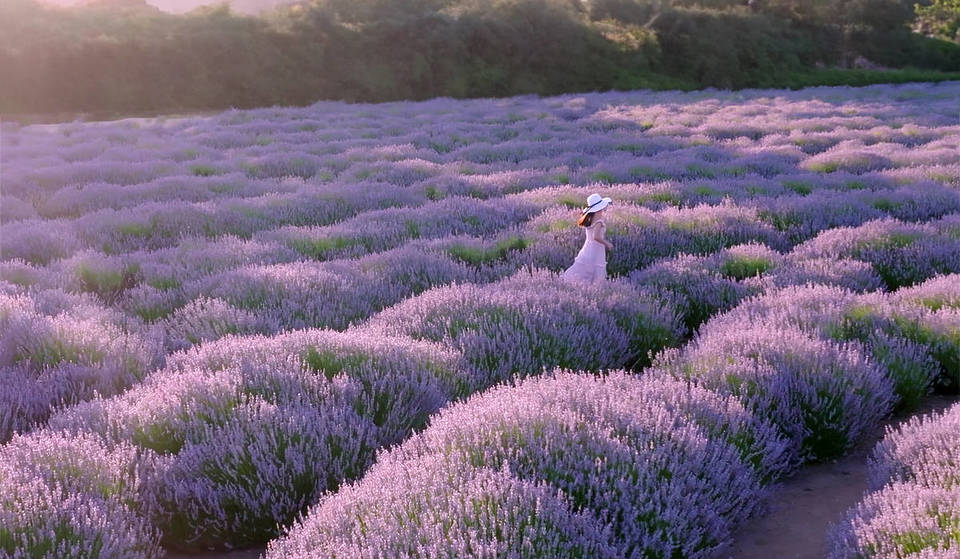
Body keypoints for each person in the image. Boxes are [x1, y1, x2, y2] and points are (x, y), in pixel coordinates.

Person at [561, 193, 613, 284]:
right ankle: (595, 290)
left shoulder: (590, 222)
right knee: (596, 271)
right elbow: (596, 237)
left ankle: (581, 287)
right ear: (599, 209)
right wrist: (607, 243)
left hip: (588, 248)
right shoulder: (599, 222)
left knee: (585, 269)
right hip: (596, 249)